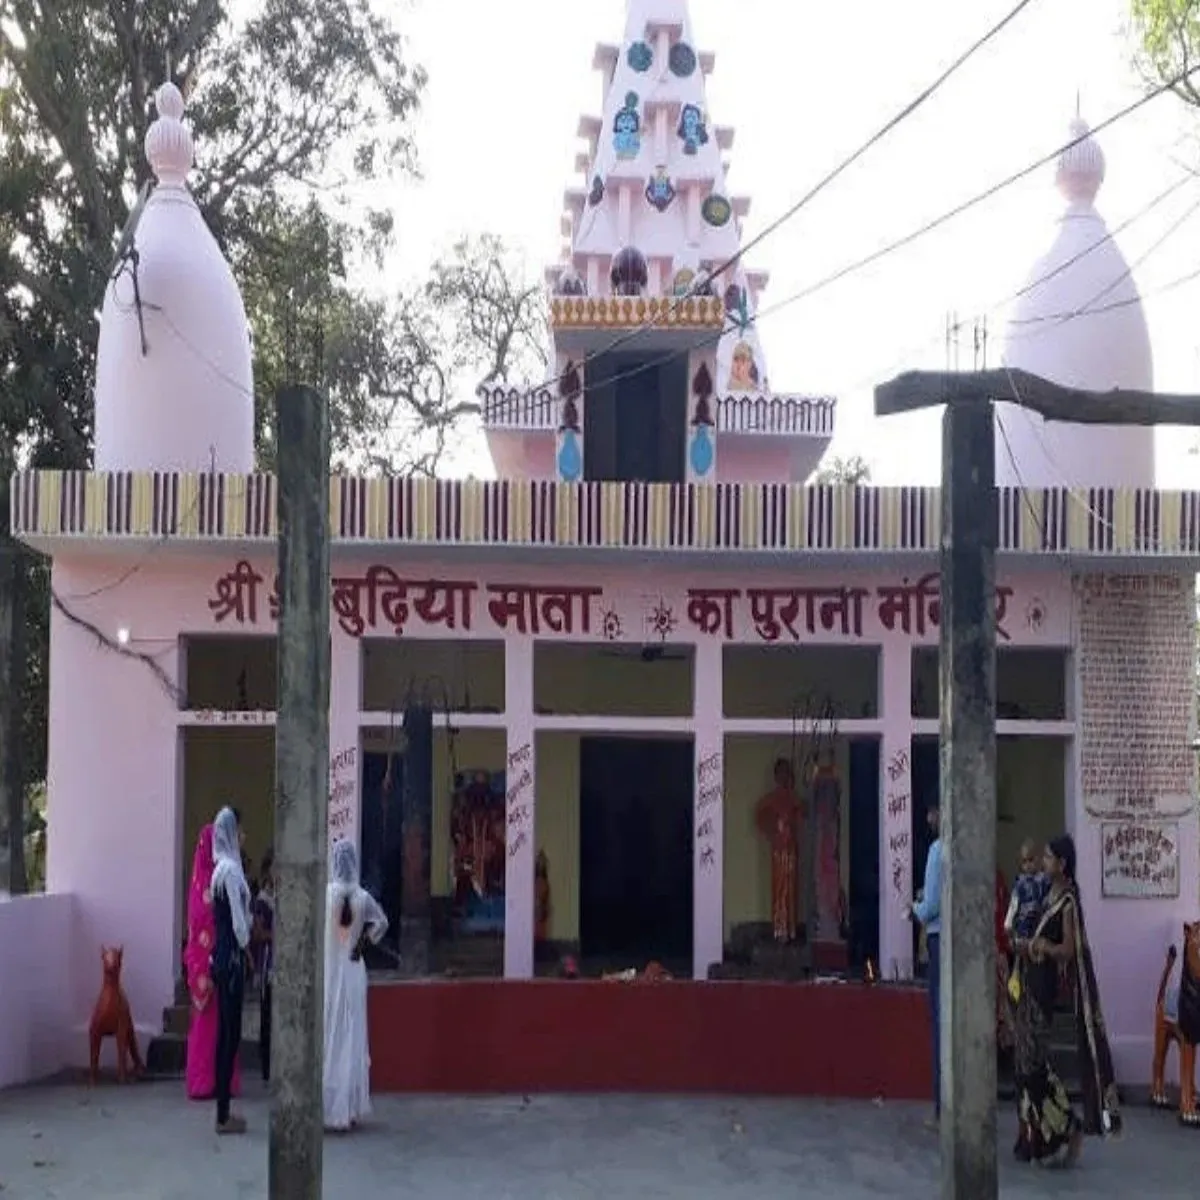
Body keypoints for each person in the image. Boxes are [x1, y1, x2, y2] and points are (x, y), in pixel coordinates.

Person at [1010, 834, 1120, 1166]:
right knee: (1022, 1065)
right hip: (1029, 981)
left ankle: (1067, 1126)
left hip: (1045, 991)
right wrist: (1025, 944)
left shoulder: (1068, 902)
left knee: (1034, 1067)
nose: (1042, 863)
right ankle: (1033, 1138)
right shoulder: (1046, 893)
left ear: (1062, 864)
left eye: (1047, 858)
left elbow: (1068, 950)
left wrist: (1043, 947)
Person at [324, 839, 388, 1131]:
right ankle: (347, 1108)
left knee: (331, 1034)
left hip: (331, 971)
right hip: (353, 969)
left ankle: (328, 1105)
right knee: (352, 1035)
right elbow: (382, 923)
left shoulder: (327, 895)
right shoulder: (363, 898)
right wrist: (362, 944)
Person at [183, 825, 240, 1102]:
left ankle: (222, 1081)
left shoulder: (216, 877)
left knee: (222, 1024)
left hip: (217, 958)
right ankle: (203, 1081)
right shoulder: (202, 883)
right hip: (206, 962)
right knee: (207, 1026)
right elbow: (200, 924)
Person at [211, 806, 251, 1135]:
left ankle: (221, 1110)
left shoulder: (216, 871)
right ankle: (223, 1115)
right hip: (234, 961)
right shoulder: (232, 872)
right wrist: (248, 936)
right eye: (240, 830)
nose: (244, 836)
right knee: (230, 1035)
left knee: (223, 1033)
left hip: (219, 960)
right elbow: (239, 925)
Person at [904, 802, 942, 1130]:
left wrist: (912, 908)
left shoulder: (937, 850)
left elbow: (930, 907)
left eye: (932, 811)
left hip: (938, 939)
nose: (928, 817)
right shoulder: (966, 846)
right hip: (963, 940)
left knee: (940, 1025)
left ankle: (941, 1110)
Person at [251, 847, 276, 1084]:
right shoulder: (263, 900)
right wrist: (278, 935)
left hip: (283, 966)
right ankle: (267, 1068)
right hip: (269, 966)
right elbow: (257, 933)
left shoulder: (284, 895)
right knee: (268, 1018)